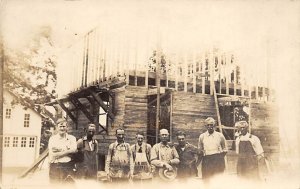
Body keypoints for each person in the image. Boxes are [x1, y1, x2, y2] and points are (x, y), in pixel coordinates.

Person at [48, 118, 77, 184]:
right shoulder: (52, 139)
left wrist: (59, 150)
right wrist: (68, 151)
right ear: (57, 127)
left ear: (67, 127)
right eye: (60, 126)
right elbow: (54, 154)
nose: (62, 128)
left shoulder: (72, 138)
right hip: (55, 166)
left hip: (68, 166)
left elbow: (74, 150)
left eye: (64, 126)